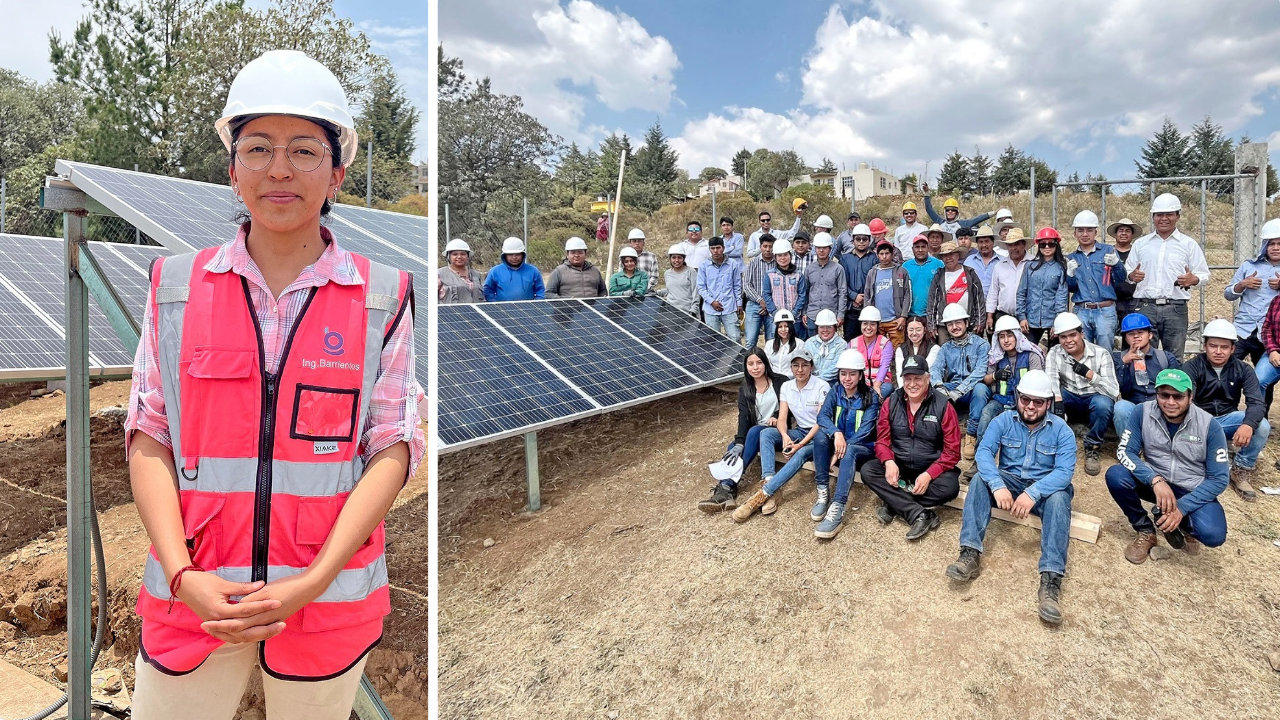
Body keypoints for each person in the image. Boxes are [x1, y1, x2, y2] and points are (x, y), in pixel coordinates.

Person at [125, 50, 425, 719]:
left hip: (325, 599)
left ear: (337, 172)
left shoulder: (382, 296)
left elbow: (392, 446)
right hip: (195, 595)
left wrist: (311, 582)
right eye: (258, 148)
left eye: (304, 151)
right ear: (233, 170)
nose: (280, 169)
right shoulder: (176, 287)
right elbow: (149, 434)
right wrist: (182, 575)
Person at [947, 369, 1075, 626]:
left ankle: (1051, 580)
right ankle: (969, 553)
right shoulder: (1003, 420)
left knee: (1060, 498)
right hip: (1010, 481)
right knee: (979, 479)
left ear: (1048, 403)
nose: (1030, 406)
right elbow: (984, 453)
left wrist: (1032, 493)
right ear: (1017, 396)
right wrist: (997, 485)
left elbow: (1064, 472)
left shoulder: (1062, 431)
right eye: (1025, 399)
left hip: (1044, 488)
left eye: (1038, 402)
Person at [1107, 369, 1228, 564]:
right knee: (1116, 475)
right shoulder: (1142, 412)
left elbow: (1219, 479)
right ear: (1156, 394)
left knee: (1213, 535)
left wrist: (1182, 507)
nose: (1170, 402)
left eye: (1178, 396)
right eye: (1164, 395)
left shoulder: (1210, 426)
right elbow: (1125, 452)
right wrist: (1154, 479)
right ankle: (1145, 530)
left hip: (1190, 488)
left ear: (1190, 396)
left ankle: (1180, 523)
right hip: (1155, 483)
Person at [860, 356, 962, 540]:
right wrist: (889, 462)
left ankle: (894, 502)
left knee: (950, 487)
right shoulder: (891, 402)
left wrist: (929, 474)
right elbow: (882, 441)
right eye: (908, 379)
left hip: (930, 469)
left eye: (918, 378)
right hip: (900, 466)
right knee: (868, 471)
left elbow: (952, 452)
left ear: (928, 378)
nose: (912, 384)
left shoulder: (944, 406)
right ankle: (920, 513)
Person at [733, 349, 832, 522]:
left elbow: (821, 421)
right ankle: (770, 482)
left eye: (804, 365)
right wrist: (785, 436)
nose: (800, 369)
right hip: (800, 430)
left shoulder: (822, 386)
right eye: (795, 365)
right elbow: (782, 418)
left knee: (800, 453)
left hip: (820, 435)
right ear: (791, 367)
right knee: (766, 433)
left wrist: (799, 444)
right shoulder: (787, 386)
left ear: (811, 367)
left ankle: (762, 495)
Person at [1181, 319, 1270, 502]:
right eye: (1213, 346)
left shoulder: (1243, 369)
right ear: (1205, 346)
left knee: (1262, 425)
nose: (1218, 351)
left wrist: (1248, 424)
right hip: (1198, 421)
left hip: (1227, 419)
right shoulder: (1192, 366)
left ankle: (1240, 469)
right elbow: (1186, 401)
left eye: (1224, 347)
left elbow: (1257, 402)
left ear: (1233, 348)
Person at [698, 348, 786, 513]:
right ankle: (726, 488)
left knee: (754, 432)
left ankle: (726, 487)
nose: (755, 367)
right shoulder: (745, 389)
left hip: (777, 432)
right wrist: (739, 442)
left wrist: (777, 416)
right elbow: (743, 417)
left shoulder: (781, 382)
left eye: (759, 363)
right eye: (750, 364)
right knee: (733, 447)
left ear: (765, 363)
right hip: (756, 433)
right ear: (746, 367)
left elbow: (791, 406)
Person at [1124, 193, 1210, 356]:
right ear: (1153, 217)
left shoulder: (1189, 245)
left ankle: (1172, 375)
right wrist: (1131, 276)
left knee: (1174, 356)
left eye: (1169, 214)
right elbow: (1127, 271)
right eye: (1159, 214)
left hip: (1175, 308)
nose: (1164, 218)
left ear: (1178, 216)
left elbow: (1204, 274)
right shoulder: (1141, 244)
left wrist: (1194, 279)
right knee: (1142, 355)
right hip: (1146, 307)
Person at [813, 350, 880, 538]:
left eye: (852, 374)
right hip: (840, 443)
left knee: (849, 450)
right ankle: (823, 491)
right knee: (820, 436)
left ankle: (838, 507)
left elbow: (865, 431)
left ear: (860, 375)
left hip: (863, 448)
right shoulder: (836, 390)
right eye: (843, 373)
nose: (847, 379)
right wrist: (836, 433)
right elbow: (822, 416)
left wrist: (839, 451)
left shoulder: (871, 396)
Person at [1045, 312, 1119, 475]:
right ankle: (1056, 444)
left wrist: (1090, 375)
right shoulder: (1055, 353)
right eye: (1063, 337)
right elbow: (1051, 380)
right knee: (1049, 400)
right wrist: (1057, 402)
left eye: (1073, 335)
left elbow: (1113, 391)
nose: (1068, 341)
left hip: (1093, 396)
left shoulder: (1101, 353)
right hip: (1069, 395)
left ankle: (1092, 446)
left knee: (1104, 404)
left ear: (1082, 334)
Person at [930, 303, 992, 461]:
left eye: (958, 322)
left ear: (966, 323)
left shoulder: (981, 345)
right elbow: (935, 369)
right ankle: (937, 434)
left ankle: (971, 435)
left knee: (981, 389)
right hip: (953, 387)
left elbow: (980, 372)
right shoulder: (945, 348)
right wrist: (939, 386)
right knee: (932, 390)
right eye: (950, 324)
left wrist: (959, 391)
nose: (954, 327)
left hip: (973, 389)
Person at [975, 315, 1044, 440]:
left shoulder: (1031, 355)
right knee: (986, 414)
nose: (1006, 340)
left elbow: (1039, 382)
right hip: (1001, 400)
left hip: (1025, 401)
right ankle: (980, 449)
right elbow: (986, 380)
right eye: (1002, 337)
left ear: (1017, 336)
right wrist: (995, 375)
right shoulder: (996, 356)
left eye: (1009, 335)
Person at [1111, 313, 1180, 435]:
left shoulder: (1165, 357)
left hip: (1160, 405)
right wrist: (1124, 364)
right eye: (1131, 334)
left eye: (1140, 332)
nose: (1136, 336)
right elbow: (1119, 389)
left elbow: (1177, 387)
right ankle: (1128, 445)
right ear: (1125, 338)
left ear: (1150, 335)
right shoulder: (1118, 358)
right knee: (1121, 407)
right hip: (1134, 406)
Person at [1223, 219, 1280, 365]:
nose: (1275, 248)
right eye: (1271, 244)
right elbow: (1228, 294)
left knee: (1264, 377)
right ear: (1265, 245)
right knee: (1227, 369)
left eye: (1279, 244)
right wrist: (1242, 284)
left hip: (1270, 334)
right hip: (1242, 329)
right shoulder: (1249, 266)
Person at [1065, 210, 1126, 345]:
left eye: (1089, 230)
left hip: (1105, 310)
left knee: (1105, 349)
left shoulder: (1108, 251)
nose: (1085, 234)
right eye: (1080, 230)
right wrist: (1070, 275)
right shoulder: (1071, 258)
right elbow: (1071, 288)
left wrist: (1117, 264)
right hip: (1081, 311)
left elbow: (1121, 278)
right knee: (1081, 350)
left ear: (1096, 232)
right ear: (1075, 234)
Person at [1017, 227, 1069, 345]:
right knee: (1028, 350)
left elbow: (1061, 297)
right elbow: (1021, 292)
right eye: (1043, 244)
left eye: (1051, 244)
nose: (1047, 247)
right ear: (1038, 246)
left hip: (1052, 320)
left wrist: (1058, 321)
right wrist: (1022, 317)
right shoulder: (1029, 267)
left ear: (1056, 245)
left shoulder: (1061, 268)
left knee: (1055, 352)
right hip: (1031, 320)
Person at [926, 241, 988, 338]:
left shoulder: (969, 273)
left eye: (951, 254)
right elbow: (932, 301)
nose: (948, 258)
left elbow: (979, 298)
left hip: (969, 322)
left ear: (958, 255)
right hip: (944, 324)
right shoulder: (939, 275)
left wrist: (980, 321)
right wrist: (931, 324)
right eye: (945, 255)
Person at [864, 239, 912, 347]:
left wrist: (903, 316)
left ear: (892, 254)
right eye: (881, 254)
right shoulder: (872, 273)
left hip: (895, 320)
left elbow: (908, 295)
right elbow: (867, 295)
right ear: (877, 255)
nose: (884, 257)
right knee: (878, 349)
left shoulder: (901, 271)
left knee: (898, 349)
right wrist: (869, 316)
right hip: (877, 320)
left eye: (887, 253)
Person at [697, 236, 742, 342]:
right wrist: (712, 302)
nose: (715, 251)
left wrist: (739, 303)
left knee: (735, 338)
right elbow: (701, 287)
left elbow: (737, 285)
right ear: (709, 249)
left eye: (718, 248)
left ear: (723, 248)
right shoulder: (704, 266)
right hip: (710, 309)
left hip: (729, 307)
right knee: (713, 340)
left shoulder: (733, 264)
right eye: (712, 248)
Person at [802, 232, 848, 336]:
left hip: (830, 316)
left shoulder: (838, 269)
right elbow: (805, 292)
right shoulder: (809, 269)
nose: (821, 250)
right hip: (812, 315)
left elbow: (842, 293)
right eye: (819, 248)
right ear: (815, 249)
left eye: (824, 248)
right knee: (812, 344)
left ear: (830, 249)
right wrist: (804, 312)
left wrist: (840, 314)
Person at [764, 239, 809, 340]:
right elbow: (767, 295)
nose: (783, 258)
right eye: (779, 255)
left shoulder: (798, 275)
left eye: (785, 255)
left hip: (795, 319)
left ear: (790, 255)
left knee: (797, 344)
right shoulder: (769, 275)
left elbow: (802, 295)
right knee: (775, 344)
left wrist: (794, 313)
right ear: (775, 257)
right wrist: (775, 312)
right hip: (775, 319)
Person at [986, 227, 1029, 330]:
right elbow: (993, 293)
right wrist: (989, 317)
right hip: (1003, 315)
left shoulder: (1033, 264)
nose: (1013, 248)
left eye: (1017, 244)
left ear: (1023, 244)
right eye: (1010, 245)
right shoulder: (999, 266)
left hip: (1027, 317)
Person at [840, 223, 878, 340]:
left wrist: (865, 298)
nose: (861, 242)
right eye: (858, 239)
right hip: (851, 309)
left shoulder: (875, 259)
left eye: (864, 239)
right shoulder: (845, 259)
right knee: (850, 342)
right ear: (853, 241)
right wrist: (854, 296)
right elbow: (841, 283)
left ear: (869, 240)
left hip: (870, 308)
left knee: (870, 341)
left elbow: (877, 282)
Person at [1107, 217, 1143, 332]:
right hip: (1111, 300)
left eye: (1127, 231)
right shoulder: (1108, 253)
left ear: (1132, 235)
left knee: (1131, 333)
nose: (1124, 233)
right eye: (1121, 230)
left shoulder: (1138, 253)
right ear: (1115, 234)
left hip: (1134, 300)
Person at [742, 233, 777, 348]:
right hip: (754, 305)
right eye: (765, 246)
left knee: (772, 342)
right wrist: (760, 300)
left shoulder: (778, 263)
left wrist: (768, 304)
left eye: (770, 246)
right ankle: (749, 360)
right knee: (750, 341)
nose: (768, 249)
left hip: (773, 307)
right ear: (760, 247)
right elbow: (746, 285)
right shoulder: (753, 263)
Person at [483, 237, 545, 301]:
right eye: (510, 254)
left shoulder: (533, 271)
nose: (514, 257)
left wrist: (537, 303)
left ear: (522, 255)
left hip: (527, 307)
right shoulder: (495, 271)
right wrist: (494, 303)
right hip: (502, 307)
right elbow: (487, 290)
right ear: (505, 255)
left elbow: (540, 290)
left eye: (517, 254)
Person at [851, 307, 894, 398]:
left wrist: (877, 385)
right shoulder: (852, 343)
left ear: (878, 326)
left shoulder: (886, 343)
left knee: (888, 388)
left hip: (881, 383)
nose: (868, 327)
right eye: (865, 324)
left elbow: (884, 366)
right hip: (859, 383)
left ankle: (868, 400)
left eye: (872, 324)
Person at [922, 183, 993, 234]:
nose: (950, 211)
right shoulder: (940, 222)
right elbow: (929, 209)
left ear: (956, 212)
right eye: (948, 210)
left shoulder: (963, 224)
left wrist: (994, 213)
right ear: (945, 212)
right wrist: (927, 193)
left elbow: (978, 219)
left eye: (953, 210)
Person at [903, 234, 943, 322]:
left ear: (928, 248)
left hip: (933, 313)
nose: (920, 250)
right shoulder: (905, 266)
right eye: (917, 247)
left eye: (923, 247)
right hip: (911, 314)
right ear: (912, 249)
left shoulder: (938, 264)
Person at [438, 238, 485, 304]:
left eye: (463, 254)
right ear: (448, 257)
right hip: (450, 311)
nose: (459, 257)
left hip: (475, 311)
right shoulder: (439, 274)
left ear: (468, 256)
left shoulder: (476, 274)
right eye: (455, 254)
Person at [805, 309, 846, 383]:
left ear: (835, 328)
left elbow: (835, 369)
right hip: (810, 381)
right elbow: (805, 365)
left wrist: (817, 382)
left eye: (829, 327)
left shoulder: (842, 345)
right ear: (817, 328)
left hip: (832, 382)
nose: (825, 330)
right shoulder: (809, 343)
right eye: (822, 327)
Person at [963, 225, 1001, 299]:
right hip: (974, 303)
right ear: (977, 244)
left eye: (987, 241)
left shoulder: (1002, 261)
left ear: (993, 242)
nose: (984, 245)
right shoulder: (969, 261)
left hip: (996, 304)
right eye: (981, 242)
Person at [661, 243, 699, 316]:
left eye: (679, 257)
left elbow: (696, 292)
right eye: (674, 257)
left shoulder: (691, 271)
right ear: (670, 259)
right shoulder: (667, 273)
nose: (676, 260)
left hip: (688, 311)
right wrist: (657, 292)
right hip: (671, 311)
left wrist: (694, 309)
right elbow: (671, 290)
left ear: (683, 259)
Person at [766, 310, 804, 378]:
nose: (783, 329)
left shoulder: (800, 344)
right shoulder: (769, 344)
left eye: (786, 326)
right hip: (773, 379)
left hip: (791, 380)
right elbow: (767, 364)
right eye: (780, 327)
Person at [627, 228, 660, 293]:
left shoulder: (651, 257)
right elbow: (621, 276)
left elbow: (654, 276)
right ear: (630, 243)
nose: (637, 243)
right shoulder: (625, 257)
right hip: (629, 293)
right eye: (634, 241)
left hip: (647, 293)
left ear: (643, 242)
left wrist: (644, 288)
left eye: (639, 241)